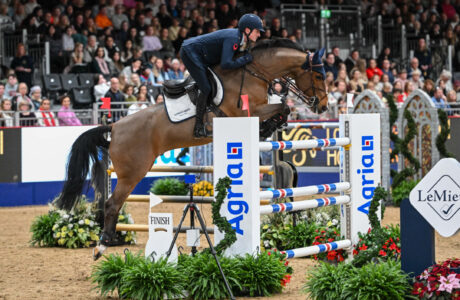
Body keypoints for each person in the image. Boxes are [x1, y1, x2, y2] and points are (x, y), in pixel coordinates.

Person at [179, 13, 262, 138]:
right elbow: (226, 64)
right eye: (257, 31)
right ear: (247, 30)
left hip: (202, 55)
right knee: (206, 88)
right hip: (190, 52)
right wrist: (245, 59)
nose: (259, 34)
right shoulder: (234, 38)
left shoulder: (239, 38)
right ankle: (198, 126)